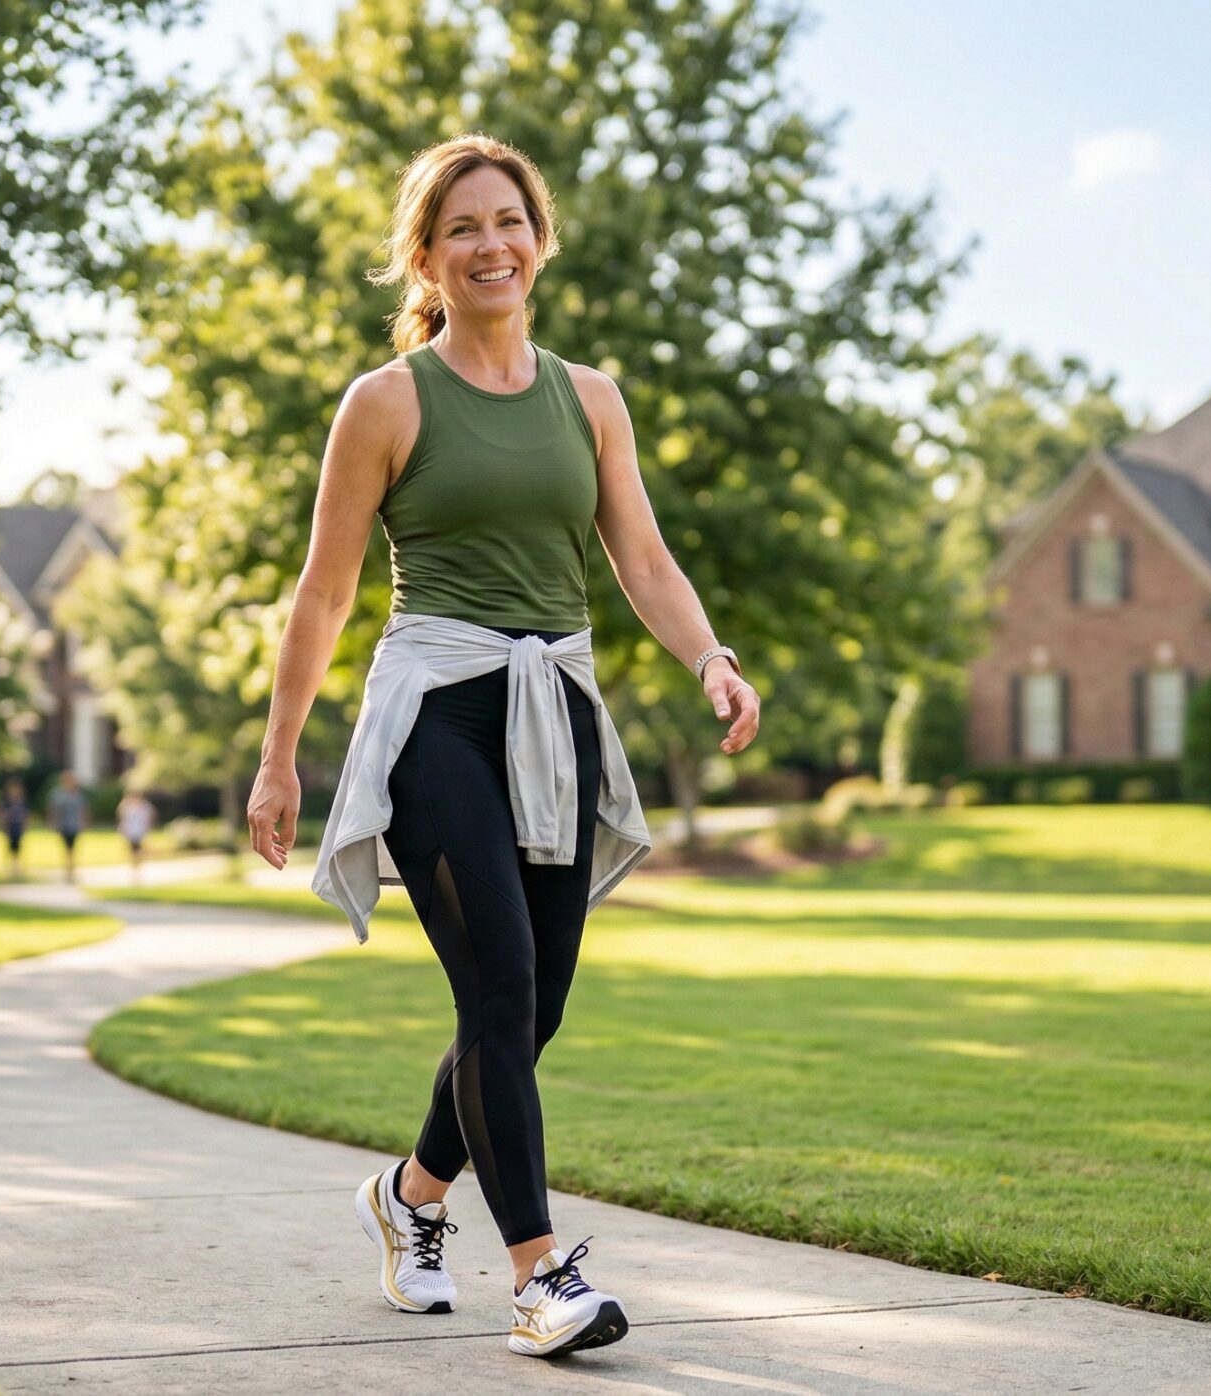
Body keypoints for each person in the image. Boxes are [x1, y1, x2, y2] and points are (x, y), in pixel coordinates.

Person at [245, 133, 760, 1360]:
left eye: (509, 221)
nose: (492, 245)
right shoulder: (384, 403)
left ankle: (411, 1198)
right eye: (463, 227)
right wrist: (278, 760)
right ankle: (541, 1276)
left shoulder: (589, 398)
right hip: (437, 709)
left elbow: (639, 556)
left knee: (532, 1009)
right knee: (498, 988)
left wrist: (710, 656)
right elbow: (320, 596)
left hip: (556, 709)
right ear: (424, 255)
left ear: (540, 240)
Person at [49, 770, 88, 885]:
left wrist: (84, 822)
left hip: (74, 824)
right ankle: (67, 868)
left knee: (72, 847)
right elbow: (53, 810)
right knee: (66, 847)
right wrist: (52, 822)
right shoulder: (58, 795)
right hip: (63, 825)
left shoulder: (78, 795)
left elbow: (83, 810)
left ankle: (71, 869)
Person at [116, 788, 157, 884]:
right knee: (132, 851)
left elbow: (151, 816)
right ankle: (134, 869)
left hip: (140, 831)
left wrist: (150, 826)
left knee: (139, 851)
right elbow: (122, 818)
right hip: (130, 832)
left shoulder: (145, 806)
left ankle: (137, 868)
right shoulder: (125, 806)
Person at [0, 781, 29, 878]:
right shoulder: (7, 802)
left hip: (18, 826)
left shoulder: (22, 802)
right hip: (9, 826)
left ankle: (17, 866)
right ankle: (9, 865)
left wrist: (25, 825)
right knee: (9, 846)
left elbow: (26, 815)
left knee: (18, 846)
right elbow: (1, 813)